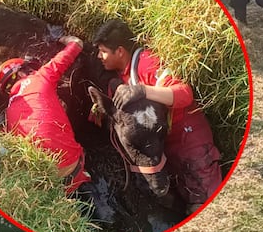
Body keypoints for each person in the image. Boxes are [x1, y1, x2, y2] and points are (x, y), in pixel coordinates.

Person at [92, 20, 223, 214]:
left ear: (120, 51)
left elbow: (185, 94)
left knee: (203, 204)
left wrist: (144, 90)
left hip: (189, 143)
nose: (99, 56)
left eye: (103, 51)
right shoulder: (123, 73)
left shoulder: (147, 63)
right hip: (163, 142)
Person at [0, 35, 94, 196]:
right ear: (20, 74)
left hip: (49, 185)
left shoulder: (8, 115)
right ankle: (83, 176)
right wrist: (66, 39)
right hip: (74, 168)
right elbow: (76, 45)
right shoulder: (40, 77)